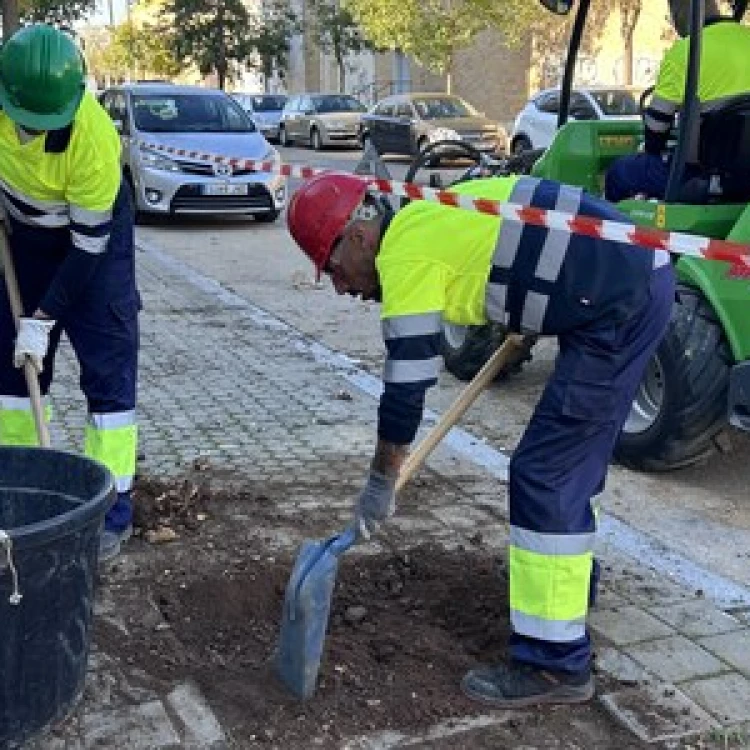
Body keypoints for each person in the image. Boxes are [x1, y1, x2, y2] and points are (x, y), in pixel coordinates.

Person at [286, 170, 675, 708]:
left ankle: (553, 664)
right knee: (567, 463)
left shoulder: (404, 256)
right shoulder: (427, 212)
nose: (340, 286)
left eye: (332, 268)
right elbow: (525, 229)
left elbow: (405, 391)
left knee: (546, 474)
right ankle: (565, 587)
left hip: (619, 302)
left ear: (358, 237)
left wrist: (381, 481)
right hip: (625, 278)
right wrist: (535, 302)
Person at [0, 25, 139, 562]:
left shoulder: (94, 139)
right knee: (14, 377)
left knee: (109, 379)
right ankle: (20, 494)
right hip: (23, 242)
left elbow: (87, 248)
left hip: (93, 250)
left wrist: (43, 319)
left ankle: (111, 512)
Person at [605, 0, 750, 202]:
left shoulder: (685, 51)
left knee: (621, 172)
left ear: (680, 12)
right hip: (744, 179)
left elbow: (655, 130)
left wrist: (656, 150)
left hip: (699, 176)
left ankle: (614, 231)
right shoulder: (746, 38)